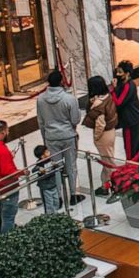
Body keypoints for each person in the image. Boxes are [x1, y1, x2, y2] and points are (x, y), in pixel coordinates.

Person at [36, 69, 83, 205]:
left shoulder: (40, 100)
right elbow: (75, 120)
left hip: (51, 137)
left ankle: (59, 198)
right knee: (71, 165)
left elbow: (40, 122)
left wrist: (45, 138)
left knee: (55, 167)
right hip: (68, 136)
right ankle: (73, 195)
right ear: (62, 81)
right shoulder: (69, 99)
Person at [82, 75, 119, 183]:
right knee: (108, 159)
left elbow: (100, 124)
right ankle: (105, 183)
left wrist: (96, 137)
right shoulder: (108, 96)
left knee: (108, 162)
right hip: (110, 132)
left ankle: (114, 184)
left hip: (104, 136)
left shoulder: (98, 103)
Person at [112, 60, 139, 161]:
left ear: (127, 73)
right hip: (134, 118)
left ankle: (132, 166)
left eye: (120, 72)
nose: (117, 74)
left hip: (130, 120)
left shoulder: (128, 86)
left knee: (130, 146)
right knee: (135, 144)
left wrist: (113, 90)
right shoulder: (125, 84)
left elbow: (118, 102)